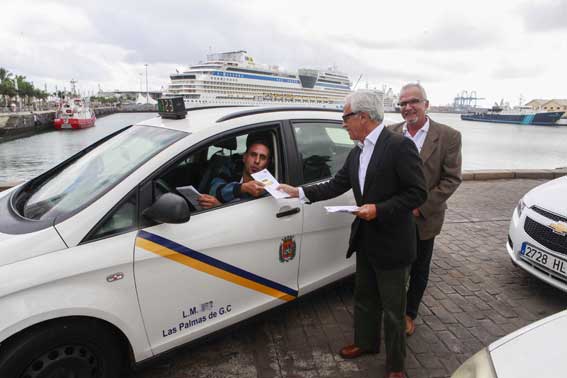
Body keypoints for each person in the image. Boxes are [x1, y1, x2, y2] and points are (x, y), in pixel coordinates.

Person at [278, 90, 427, 378]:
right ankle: (366, 343)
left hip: (393, 243)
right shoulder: (357, 151)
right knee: (365, 296)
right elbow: (336, 184)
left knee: (394, 310)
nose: (343, 123)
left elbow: (417, 193)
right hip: (366, 238)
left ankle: (396, 366)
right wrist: (298, 192)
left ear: (363, 116)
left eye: (345, 117)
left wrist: (379, 209)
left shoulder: (399, 146)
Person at [389, 83, 462, 336]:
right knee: (395, 268)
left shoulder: (449, 136)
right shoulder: (391, 133)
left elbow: (451, 179)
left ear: (426, 105)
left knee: (419, 268)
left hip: (424, 218)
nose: (408, 107)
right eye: (403, 103)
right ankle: (391, 310)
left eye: (414, 102)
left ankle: (410, 314)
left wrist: (420, 208)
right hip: (394, 217)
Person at [198, 138, 271, 209]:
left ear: (267, 164)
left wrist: (220, 206)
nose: (257, 161)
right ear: (244, 157)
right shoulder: (231, 169)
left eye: (262, 157)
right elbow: (214, 190)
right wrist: (242, 188)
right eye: (253, 155)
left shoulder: (269, 187)